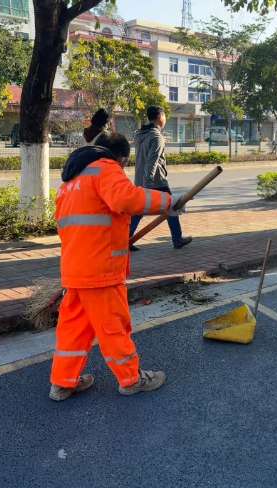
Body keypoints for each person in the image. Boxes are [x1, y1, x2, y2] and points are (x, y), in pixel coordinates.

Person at [49, 131, 186, 401]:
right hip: (100, 271)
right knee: (114, 327)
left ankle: (62, 382)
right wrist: (168, 203)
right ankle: (131, 379)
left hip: (75, 270)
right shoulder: (106, 168)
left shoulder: (71, 181)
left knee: (73, 329)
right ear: (121, 158)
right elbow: (126, 198)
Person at [129, 106, 192, 251]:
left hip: (140, 179)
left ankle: (126, 239)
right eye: (164, 116)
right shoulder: (156, 136)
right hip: (155, 181)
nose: (165, 119)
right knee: (172, 207)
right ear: (159, 117)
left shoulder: (140, 134)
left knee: (138, 210)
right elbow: (152, 161)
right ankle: (177, 239)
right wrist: (148, 185)